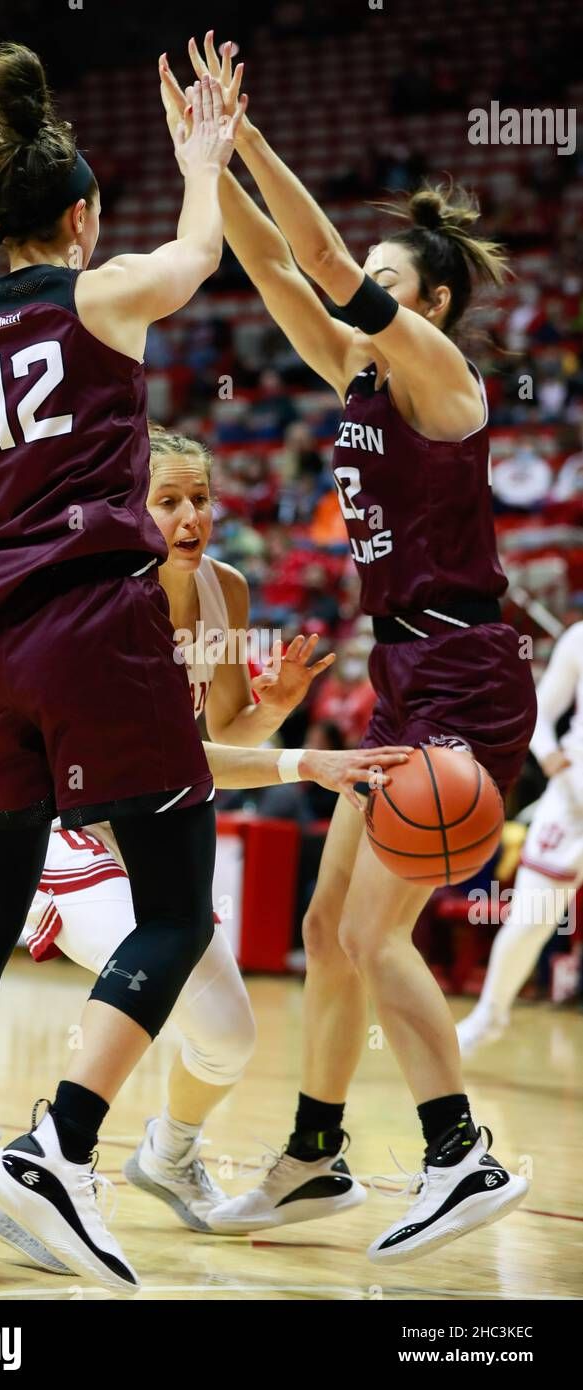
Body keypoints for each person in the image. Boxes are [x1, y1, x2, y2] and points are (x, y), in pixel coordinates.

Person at [160, 34, 537, 1261]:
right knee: (324, 931)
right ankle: (313, 1156)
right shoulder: (361, 376)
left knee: (373, 938)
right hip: (405, 677)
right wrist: (205, 161)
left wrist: (253, 133)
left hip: (465, 679)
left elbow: (316, 255)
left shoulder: (439, 379)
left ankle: (456, 1153)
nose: (349, 287)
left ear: (420, 300)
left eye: (379, 276)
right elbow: (277, 267)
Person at [0, 41, 248, 1293]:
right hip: (96, 621)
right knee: (178, 907)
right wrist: (202, 161)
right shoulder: (105, 291)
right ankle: (58, 1152)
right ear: (82, 215)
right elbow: (200, 259)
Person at [457, 620, 583, 1054]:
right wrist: (551, 759)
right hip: (572, 800)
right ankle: (488, 1016)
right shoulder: (578, 638)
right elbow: (540, 713)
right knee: (530, 919)